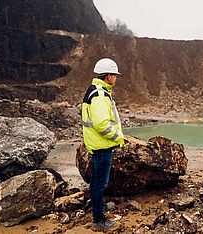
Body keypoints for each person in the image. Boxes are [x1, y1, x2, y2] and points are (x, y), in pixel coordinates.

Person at [81, 58, 124, 230]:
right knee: (100, 183)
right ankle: (99, 220)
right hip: (102, 146)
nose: (116, 78)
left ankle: (98, 211)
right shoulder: (99, 94)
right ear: (108, 76)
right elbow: (100, 124)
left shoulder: (96, 90)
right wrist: (117, 137)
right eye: (114, 75)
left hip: (98, 144)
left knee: (97, 182)